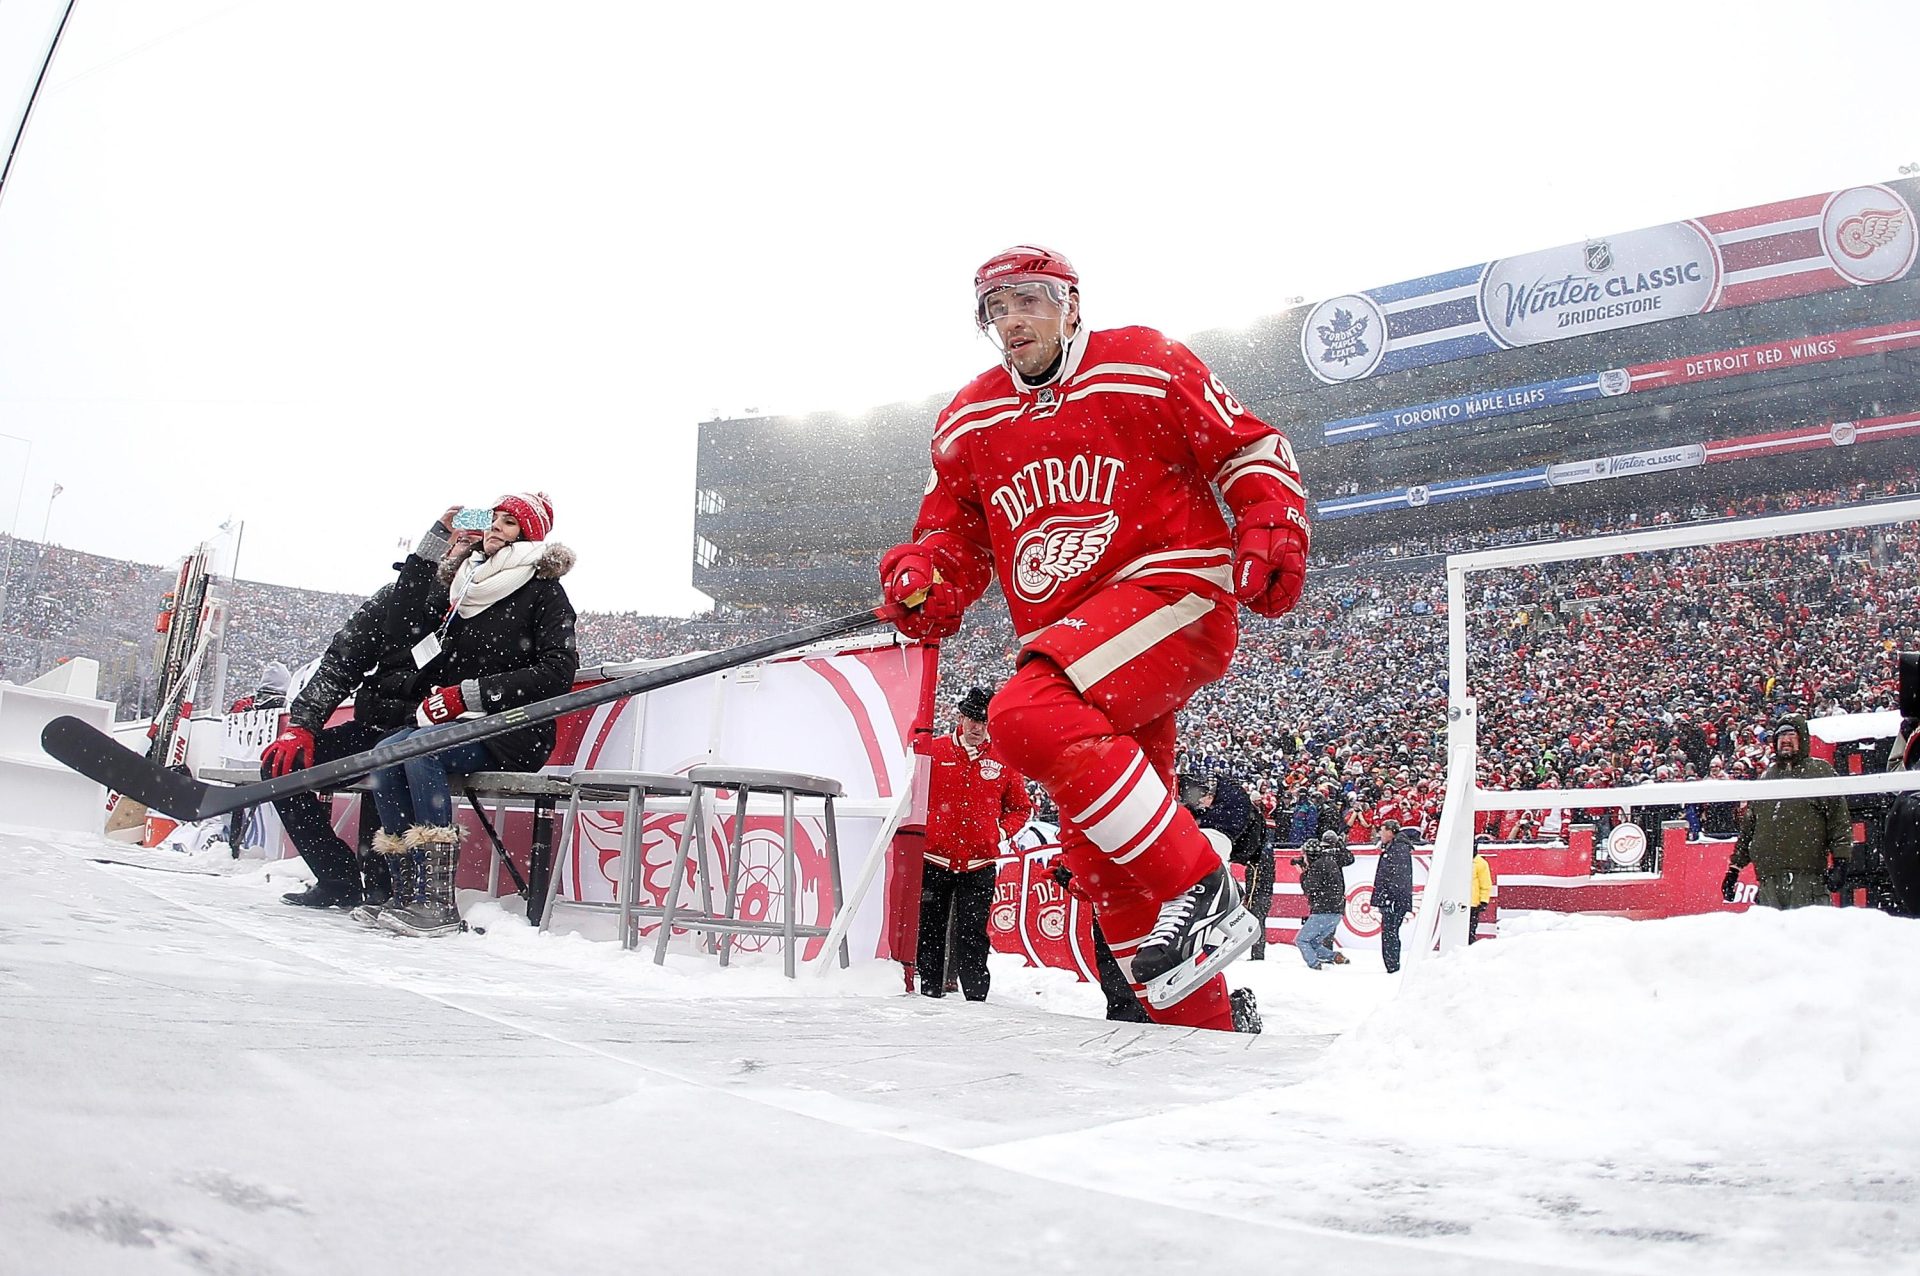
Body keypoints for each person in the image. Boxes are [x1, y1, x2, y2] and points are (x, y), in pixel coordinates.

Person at [878, 246, 1308, 1031]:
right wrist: (926, 577)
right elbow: (952, 536)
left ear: (1073, 305)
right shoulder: (970, 417)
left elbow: (1247, 444)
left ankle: (1203, 888)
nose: (1013, 322)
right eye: (997, 310)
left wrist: (1271, 518)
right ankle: (1204, 1028)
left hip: (1169, 590)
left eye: (1030, 302)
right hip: (1079, 644)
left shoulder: (1144, 361)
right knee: (1100, 862)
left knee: (1022, 715)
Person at [367, 493, 579, 938]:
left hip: (514, 730)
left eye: (509, 523)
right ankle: (405, 891)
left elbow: (558, 672)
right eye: (493, 519)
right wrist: (446, 549)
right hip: (458, 725)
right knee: (385, 754)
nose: (496, 528)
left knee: (421, 751)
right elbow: (407, 625)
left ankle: (436, 898)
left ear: (529, 535)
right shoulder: (465, 586)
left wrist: (472, 695)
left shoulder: (544, 590)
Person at [263, 511, 466, 909]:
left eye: (473, 544)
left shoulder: (484, 611)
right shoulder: (393, 600)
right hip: (375, 725)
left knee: (390, 764)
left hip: (428, 735)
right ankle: (336, 877)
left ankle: (384, 883)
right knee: (281, 767)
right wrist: (302, 724)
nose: (464, 550)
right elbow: (341, 662)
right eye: (456, 541)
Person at [918, 686, 1031, 1001]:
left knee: (974, 933)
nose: (977, 728)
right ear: (961, 717)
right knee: (930, 930)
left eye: (983, 721)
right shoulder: (934, 751)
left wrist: (1000, 832)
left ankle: (976, 998)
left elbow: (1021, 808)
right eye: (972, 719)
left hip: (979, 862)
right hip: (935, 859)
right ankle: (928, 991)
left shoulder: (1003, 758)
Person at [1724, 714, 1851, 910]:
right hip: (1768, 883)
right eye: (1780, 735)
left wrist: (1840, 862)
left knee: (1808, 938)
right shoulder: (1766, 778)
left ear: (1802, 738)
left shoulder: (1819, 771)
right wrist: (1733, 871)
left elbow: (1839, 822)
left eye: (1791, 734)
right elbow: (1748, 832)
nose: (1785, 740)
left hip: (1807, 880)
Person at [1294, 833, 1353, 970]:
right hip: (1337, 911)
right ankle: (1335, 957)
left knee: (1302, 940)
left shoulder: (1317, 867)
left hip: (1323, 910)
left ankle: (1314, 965)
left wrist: (1303, 873)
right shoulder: (1331, 862)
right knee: (1313, 942)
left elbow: (1309, 888)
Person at [1372, 818, 1415, 973]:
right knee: (1390, 933)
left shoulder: (1398, 850)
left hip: (1393, 900)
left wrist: (1391, 898)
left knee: (1390, 933)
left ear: (1391, 832)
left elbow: (1398, 877)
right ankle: (1391, 964)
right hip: (1392, 899)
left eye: (1382, 831)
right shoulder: (1395, 848)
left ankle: (1392, 965)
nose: (1380, 834)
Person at [1469, 841, 1495, 943]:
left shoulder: (1480, 863)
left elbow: (1485, 883)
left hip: (1473, 904)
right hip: (1459, 902)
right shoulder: (1458, 861)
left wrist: (1484, 900)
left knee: (1470, 930)